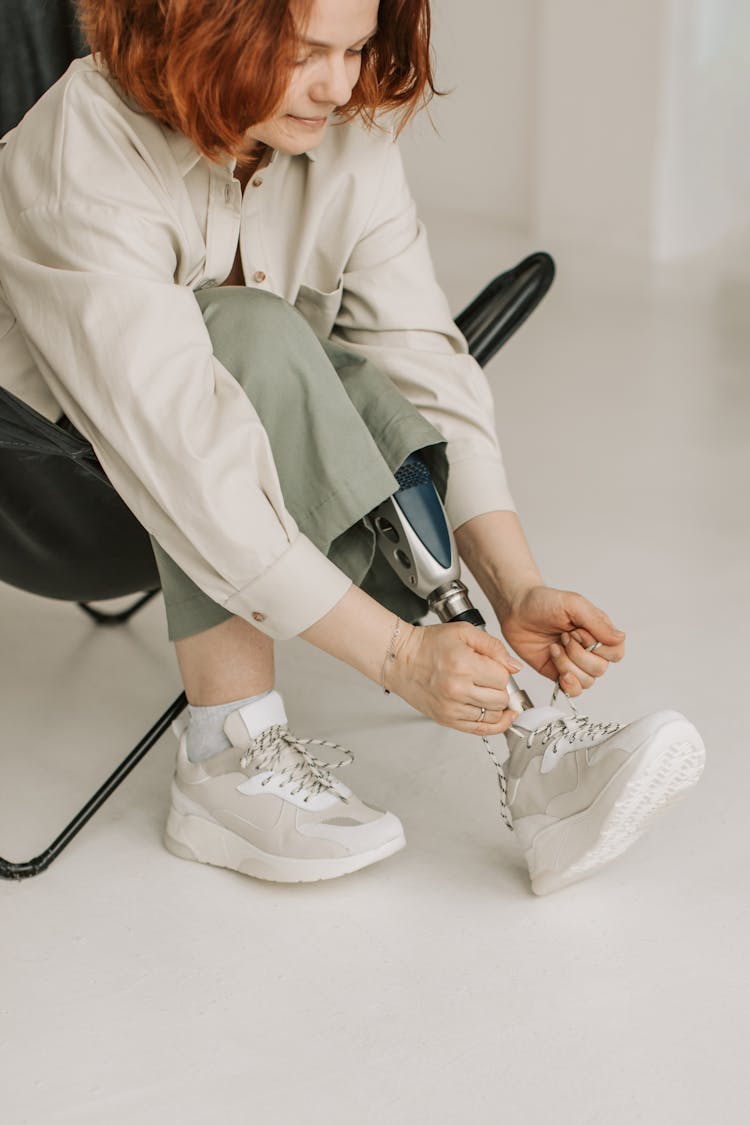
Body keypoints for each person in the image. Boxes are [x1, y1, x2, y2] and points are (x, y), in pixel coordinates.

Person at [0, 0, 704, 895]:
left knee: (332, 361)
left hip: (239, 468)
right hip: (66, 486)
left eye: (358, 48)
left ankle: (532, 754)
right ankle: (225, 755)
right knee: (251, 330)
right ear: (208, 30)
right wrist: (399, 659)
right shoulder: (81, 154)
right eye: (306, 54)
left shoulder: (340, 135)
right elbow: (182, 454)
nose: (339, 85)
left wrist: (514, 582)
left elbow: (419, 360)